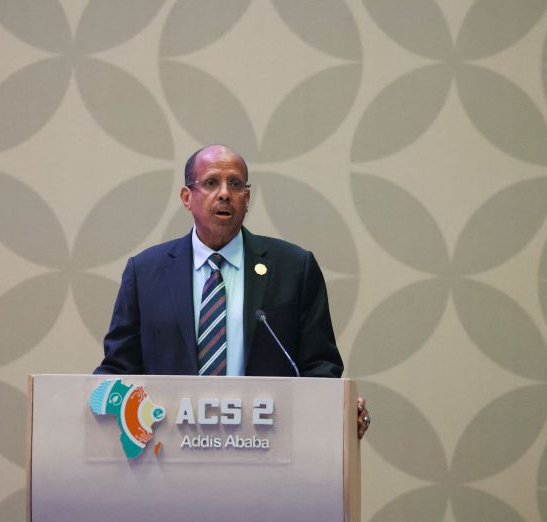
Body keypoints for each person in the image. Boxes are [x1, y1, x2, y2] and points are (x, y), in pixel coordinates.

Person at [95, 145, 370, 438]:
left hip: (267, 444)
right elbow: (119, 367)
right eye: (212, 182)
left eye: (235, 184)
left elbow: (320, 365)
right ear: (187, 197)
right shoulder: (145, 272)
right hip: (168, 446)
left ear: (247, 198)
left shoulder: (293, 268)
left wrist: (336, 406)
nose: (225, 193)